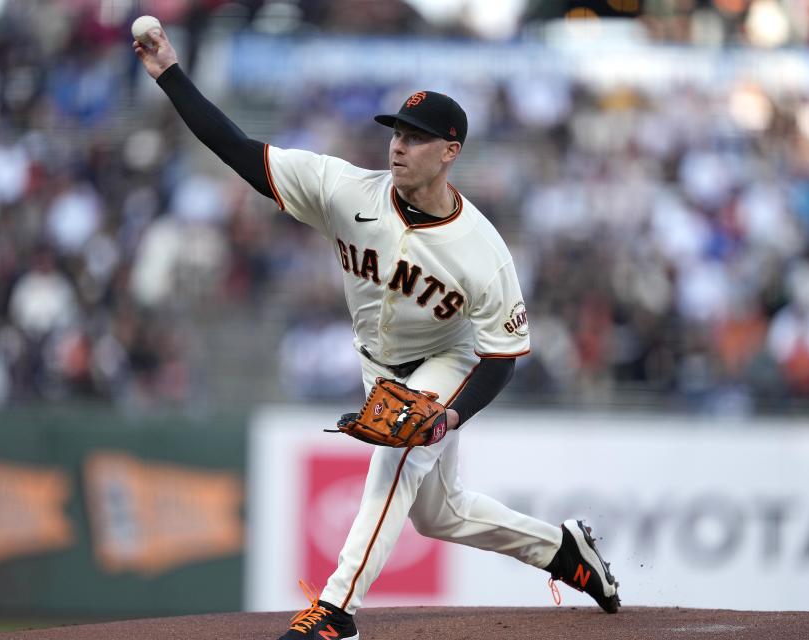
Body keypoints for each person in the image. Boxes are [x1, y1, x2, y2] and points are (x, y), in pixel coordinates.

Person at [134, 26, 620, 640]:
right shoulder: (346, 190)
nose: (398, 146)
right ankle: (563, 549)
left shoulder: (483, 250)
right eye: (396, 132)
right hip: (379, 364)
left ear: (450, 151)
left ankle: (336, 611)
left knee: (404, 449)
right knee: (440, 516)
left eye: (415, 138)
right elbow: (238, 150)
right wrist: (171, 74)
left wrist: (450, 417)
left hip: (450, 358)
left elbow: (501, 360)